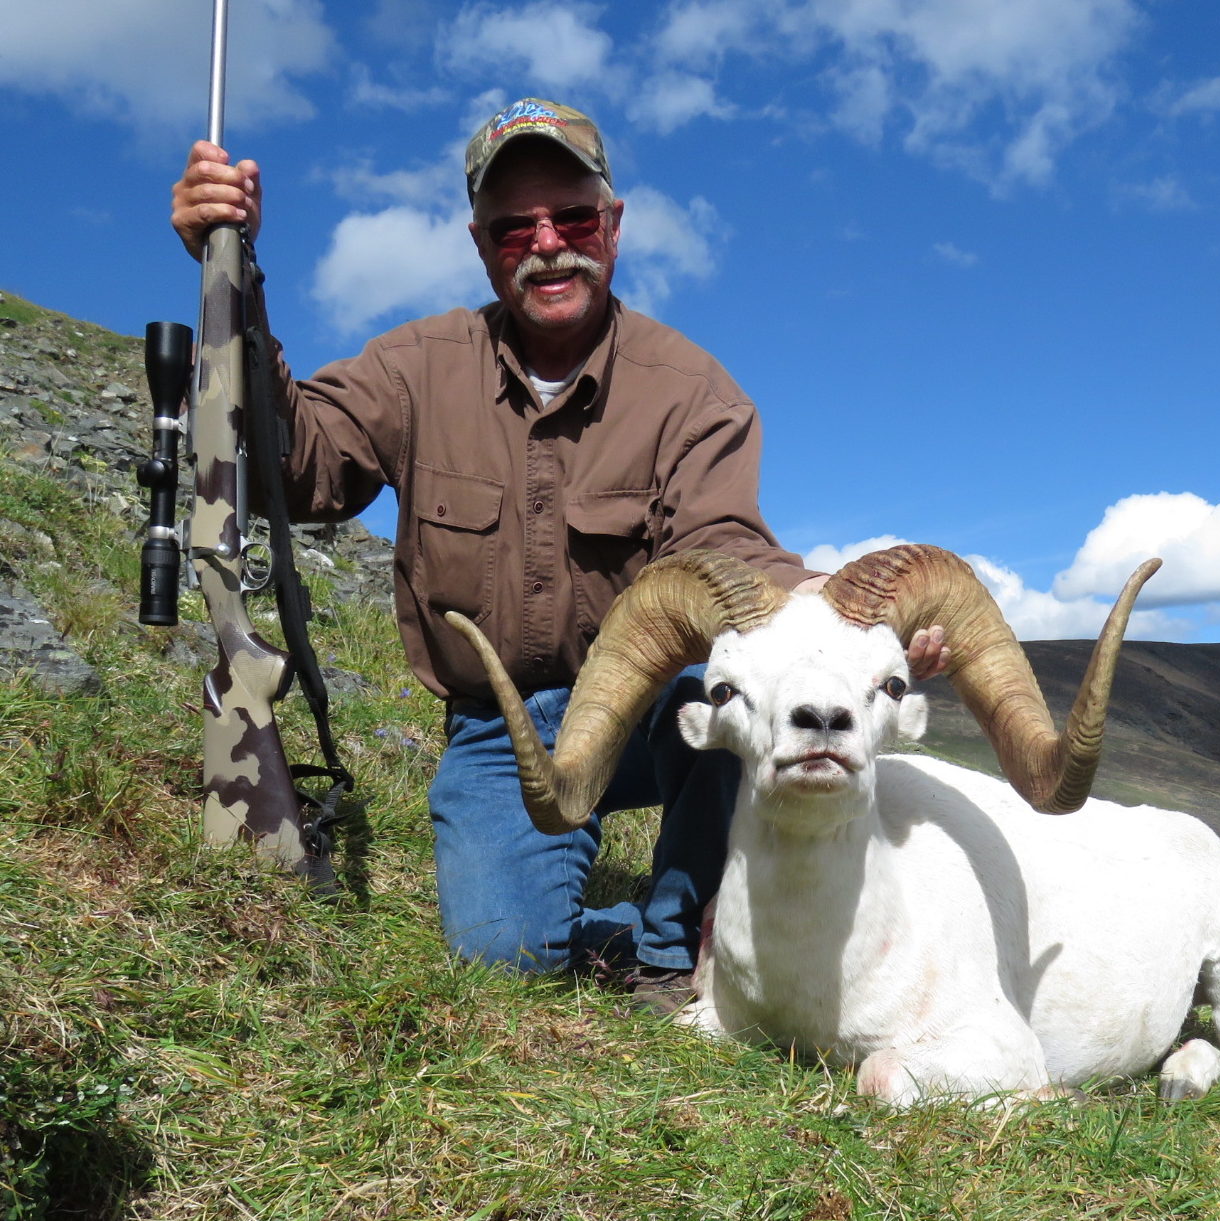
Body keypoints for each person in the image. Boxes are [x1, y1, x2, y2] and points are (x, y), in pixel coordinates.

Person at [171, 97, 949, 1012]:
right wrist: (237, 278)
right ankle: (614, 928)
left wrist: (841, 613)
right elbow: (302, 472)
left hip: (644, 711)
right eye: (515, 227)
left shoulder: (693, 393)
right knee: (502, 956)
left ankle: (674, 949)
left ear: (612, 224)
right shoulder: (415, 367)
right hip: (497, 728)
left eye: (574, 216)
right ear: (482, 243)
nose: (548, 243)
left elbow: (723, 548)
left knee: (727, 690)